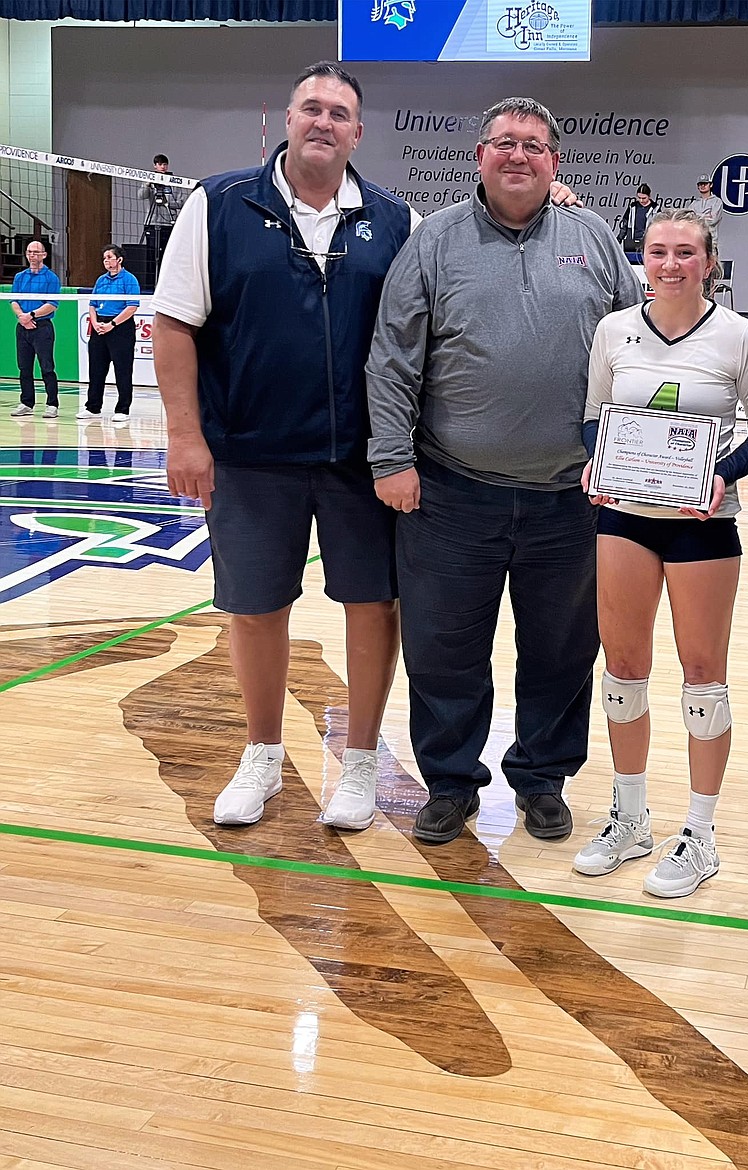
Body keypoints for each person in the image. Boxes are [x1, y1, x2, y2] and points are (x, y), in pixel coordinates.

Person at [366, 96, 642, 847]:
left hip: (573, 497)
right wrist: (391, 457)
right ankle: (451, 783)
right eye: (504, 143)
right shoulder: (434, 244)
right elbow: (393, 358)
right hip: (451, 493)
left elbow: (639, 355)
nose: (518, 155)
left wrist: (637, 465)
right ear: (479, 156)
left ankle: (543, 777)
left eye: (534, 145)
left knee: (561, 650)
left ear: (556, 161)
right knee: (444, 649)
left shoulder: (593, 239)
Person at [151, 61, 414, 833]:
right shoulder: (220, 203)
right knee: (257, 608)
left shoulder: (396, 221)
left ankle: (360, 763)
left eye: (339, 113)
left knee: (372, 605)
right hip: (249, 453)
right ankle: (263, 755)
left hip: (359, 458)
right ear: (285, 119)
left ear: (358, 133)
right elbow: (173, 324)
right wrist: (184, 435)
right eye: (312, 108)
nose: (324, 122)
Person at [576, 208, 748, 897]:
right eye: (658, 251)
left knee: (702, 676)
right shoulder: (613, 332)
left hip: (702, 523)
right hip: (624, 518)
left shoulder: (741, 339)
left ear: (708, 263)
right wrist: (596, 461)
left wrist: (725, 471)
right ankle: (630, 817)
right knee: (624, 668)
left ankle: (700, 833)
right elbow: (593, 418)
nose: (669, 264)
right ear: (644, 259)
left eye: (685, 253)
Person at [79, 245, 140, 421]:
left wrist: (112, 324)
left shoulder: (129, 280)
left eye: (109, 257)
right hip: (100, 326)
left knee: (122, 370)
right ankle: (93, 407)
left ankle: (122, 409)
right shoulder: (101, 280)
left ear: (119, 260)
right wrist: (95, 322)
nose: (106, 261)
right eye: (104, 258)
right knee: (96, 369)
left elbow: (132, 306)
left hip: (120, 327)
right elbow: (92, 304)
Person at [8, 240, 61, 419]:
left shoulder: (51, 278)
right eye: (30, 252)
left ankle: (52, 404)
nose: (32, 255)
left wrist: (31, 315)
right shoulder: (20, 277)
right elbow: (13, 301)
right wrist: (22, 317)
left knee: (47, 367)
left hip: (42, 327)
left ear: (44, 255)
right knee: (24, 368)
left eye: (36, 252)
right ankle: (26, 403)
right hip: (23, 326)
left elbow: (52, 305)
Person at [139, 153, 184, 229]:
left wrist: (166, 203)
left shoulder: (174, 182)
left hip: (170, 223)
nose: (163, 167)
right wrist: (147, 185)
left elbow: (181, 203)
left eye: (165, 164)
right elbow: (141, 196)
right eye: (160, 164)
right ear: (155, 166)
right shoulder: (150, 180)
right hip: (152, 222)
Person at [617, 183, 658, 254]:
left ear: (649, 196)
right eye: (639, 198)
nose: (641, 200)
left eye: (644, 198)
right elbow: (625, 225)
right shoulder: (632, 207)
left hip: (649, 241)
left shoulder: (655, 209)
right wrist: (618, 240)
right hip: (632, 241)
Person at [688, 175, 723, 245]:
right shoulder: (694, 204)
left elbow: (713, 220)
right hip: (696, 241)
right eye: (700, 184)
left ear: (711, 185)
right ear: (697, 186)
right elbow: (689, 221)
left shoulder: (717, 201)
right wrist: (706, 215)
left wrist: (696, 217)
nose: (703, 186)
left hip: (711, 242)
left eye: (705, 184)